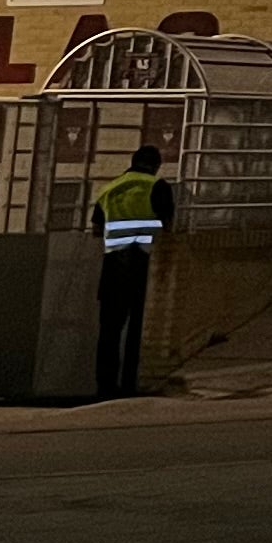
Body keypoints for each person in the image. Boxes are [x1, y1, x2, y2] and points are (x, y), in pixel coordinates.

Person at [91, 144, 176, 400]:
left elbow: (97, 230)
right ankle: (128, 385)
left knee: (109, 330)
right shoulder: (157, 187)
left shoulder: (109, 188)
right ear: (156, 165)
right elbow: (168, 226)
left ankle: (105, 386)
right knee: (136, 327)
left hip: (112, 264)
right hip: (139, 261)